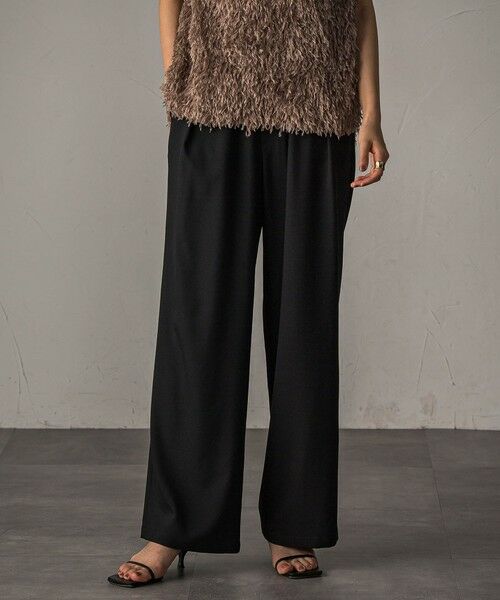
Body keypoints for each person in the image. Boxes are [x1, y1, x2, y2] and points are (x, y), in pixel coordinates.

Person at [108, 0, 389, 588]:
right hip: (211, 110)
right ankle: (173, 526)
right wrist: (181, 79)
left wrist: (372, 112)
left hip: (317, 113)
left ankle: (294, 523)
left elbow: (360, 7)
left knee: (304, 323)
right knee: (197, 320)